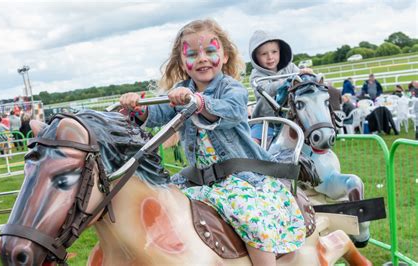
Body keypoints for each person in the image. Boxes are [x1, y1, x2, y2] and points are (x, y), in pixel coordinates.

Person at [119, 19, 305, 264]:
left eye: (210, 51)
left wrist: (197, 102)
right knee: (162, 203)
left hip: (239, 178)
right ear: (183, 63)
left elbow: (231, 111)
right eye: (193, 54)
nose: (202, 59)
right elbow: (158, 114)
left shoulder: (232, 88)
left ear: (224, 56)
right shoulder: (180, 90)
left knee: (250, 217)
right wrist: (137, 108)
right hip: (198, 179)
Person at [248, 30, 313, 143]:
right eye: (264, 54)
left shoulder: (291, 68)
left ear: (280, 52)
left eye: (274, 52)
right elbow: (265, 90)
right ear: (255, 57)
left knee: (311, 134)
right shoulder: (257, 75)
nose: (270, 57)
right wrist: (286, 81)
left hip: (291, 119)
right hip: (266, 121)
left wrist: (306, 74)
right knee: (253, 144)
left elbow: (301, 81)